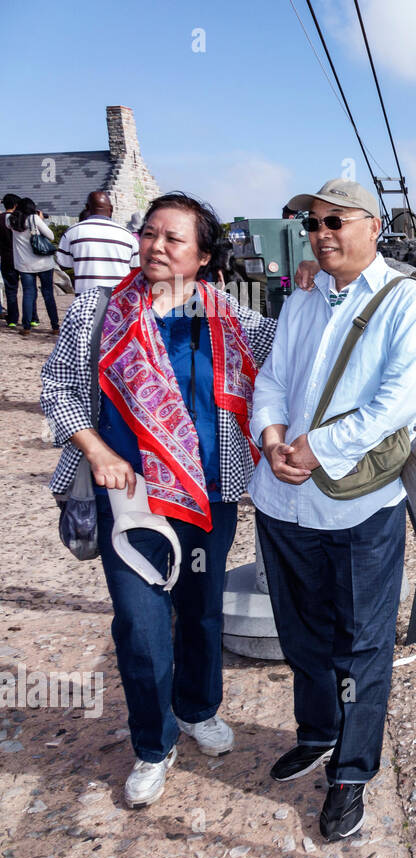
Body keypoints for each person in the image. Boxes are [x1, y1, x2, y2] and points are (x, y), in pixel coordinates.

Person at [40, 192, 277, 808]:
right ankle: (153, 744)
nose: (155, 246)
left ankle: (198, 709)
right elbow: (58, 386)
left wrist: (311, 289)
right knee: (142, 628)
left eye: (174, 239)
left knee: (200, 611)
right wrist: (97, 452)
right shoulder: (99, 308)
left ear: (201, 257)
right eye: (149, 233)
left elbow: (293, 351)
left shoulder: (227, 315)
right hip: (131, 501)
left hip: (207, 496)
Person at [249, 178, 416, 842]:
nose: (322, 233)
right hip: (281, 500)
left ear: (373, 226)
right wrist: (272, 438)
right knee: (300, 634)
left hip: (356, 509)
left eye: (335, 222)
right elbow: (272, 377)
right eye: (312, 225)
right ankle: (317, 731)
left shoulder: (407, 305)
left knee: (360, 649)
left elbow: (397, 404)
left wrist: (313, 448)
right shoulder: (304, 298)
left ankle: (352, 772)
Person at [56, 191, 140, 293]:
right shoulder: (128, 236)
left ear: (87, 207)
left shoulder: (72, 232)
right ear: (111, 209)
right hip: (118, 299)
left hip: (85, 298)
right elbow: (136, 267)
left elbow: (64, 264)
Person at [10, 197, 60, 334]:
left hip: (24, 264)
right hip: (43, 263)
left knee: (28, 294)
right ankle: (55, 326)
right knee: (48, 294)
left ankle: (26, 327)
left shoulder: (12, 221)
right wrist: (41, 219)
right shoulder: (34, 219)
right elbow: (51, 236)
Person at [0, 194, 19, 326]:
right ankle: (32, 318)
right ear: (16, 205)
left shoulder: (0, 218)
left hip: (5, 257)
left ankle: (12, 319)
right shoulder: (18, 218)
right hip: (21, 257)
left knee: (10, 289)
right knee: (30, 290)